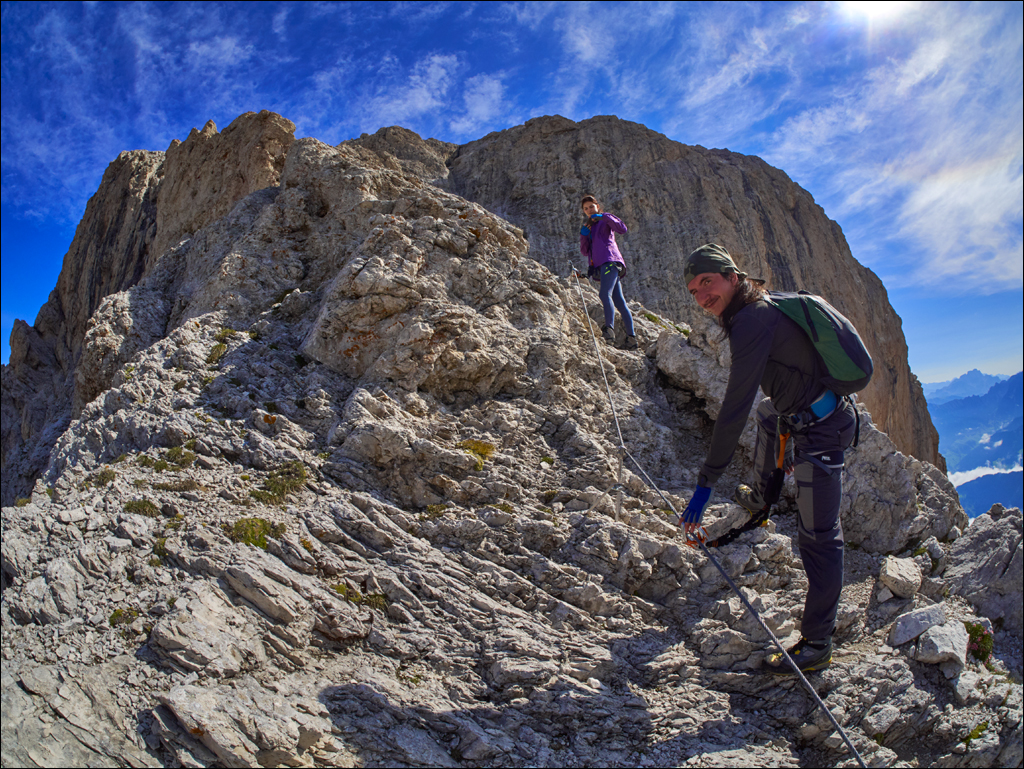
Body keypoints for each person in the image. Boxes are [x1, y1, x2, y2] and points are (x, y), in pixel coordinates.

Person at [680, 243, 858, 675]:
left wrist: (705, 485)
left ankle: (817, 643)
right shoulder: (758, 308)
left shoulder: (751, 321)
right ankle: (762, 496)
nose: (703, 296)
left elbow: (734, 407)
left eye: (708, 282)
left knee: (818, 534)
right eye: (694, 290)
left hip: (823, 430)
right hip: (806, 414)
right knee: (768, 414)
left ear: (732, 276)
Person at [578, 195, 638, 351]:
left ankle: (609, 331)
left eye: (592, 206)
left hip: (610, 261)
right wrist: (583, 236)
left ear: (597, 206)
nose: (589, 210)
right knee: (619, 301)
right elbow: (585, 252)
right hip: (602, 265)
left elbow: (622, 229)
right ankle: (631, 339)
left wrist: (604, 217)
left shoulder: (605, 219)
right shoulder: (589, 228)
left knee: (604, 295)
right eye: (586, 209)